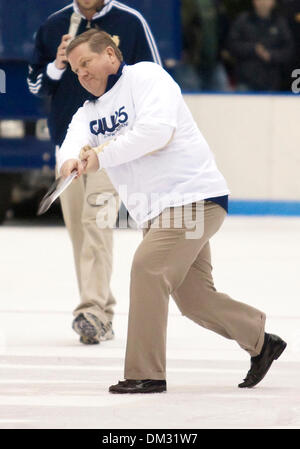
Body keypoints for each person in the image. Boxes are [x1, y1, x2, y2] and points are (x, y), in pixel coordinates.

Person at [58, 29, 287, 393]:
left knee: (147, 269)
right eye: (74, 69)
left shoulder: (148, 77)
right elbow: (72, 140)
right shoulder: (88, 113)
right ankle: (260, 340)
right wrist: (70, 160)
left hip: (192, 199)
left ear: (111, 56)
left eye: (86, 62)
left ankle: (145, 373)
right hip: (159, 213)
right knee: (194, 299)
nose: (81, 74)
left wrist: (100, 156)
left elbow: (157, 132)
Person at [27, 0, 161, 345]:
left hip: (111, 148)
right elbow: (34, 86)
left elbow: (154, 78)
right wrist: (57, 67)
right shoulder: (54, 24)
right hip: (68, 146)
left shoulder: (130, 22)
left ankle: (92, 310)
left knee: (96, 222)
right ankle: (100, 309)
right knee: (80, 233)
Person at [227, 0, 293, 91]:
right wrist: (253, 48)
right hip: (245, 82)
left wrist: (271, 55)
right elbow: (232, 45)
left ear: (273, 2)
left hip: (272, 83)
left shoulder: (280, 22)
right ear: (254, 1)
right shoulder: (243, 20)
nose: (263, 2)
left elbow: (288, 51)